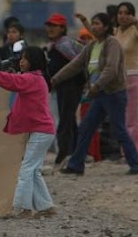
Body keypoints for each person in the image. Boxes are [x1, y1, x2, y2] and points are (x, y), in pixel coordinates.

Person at [54, 12, 138, 176]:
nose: (94, 26)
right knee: (86, 128)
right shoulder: (92, 46)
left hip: (114, 93)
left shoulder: (112, 44)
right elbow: (75, 65)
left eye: (97, 23)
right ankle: (76, 165)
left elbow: (111, 69)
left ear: (105, 27)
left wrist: (96, 86)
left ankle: (137, 164)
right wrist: (54, 79)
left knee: (119, 130)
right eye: (93, 23)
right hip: (100, 95)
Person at [0, 46, 56, 218]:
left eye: (25, 58)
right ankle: (45, 207)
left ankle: (22, 208)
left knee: (26, 169)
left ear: (34, 62)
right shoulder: (37, 78)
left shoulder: (31, 79)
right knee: (33, 170)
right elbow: (16, 80)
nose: (22, 61)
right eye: (21, 58)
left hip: (41, 131)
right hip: (44, 131)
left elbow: (12, 82)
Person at [44, 12, 85, 166]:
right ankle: (74, 152)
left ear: (62, 28)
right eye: (49, 26)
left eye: (54, 26)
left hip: (70, 86)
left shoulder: (64, 45)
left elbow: (76, 65)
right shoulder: (56, 45)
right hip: (63, 87)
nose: (50, 29)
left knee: (65, 121)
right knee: (69, 120)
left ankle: (63, 154)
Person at [114, 1, 138, 159]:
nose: (123, 16)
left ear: (132, 15)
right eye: (120, 13)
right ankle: (125, 153)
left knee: (132, 119)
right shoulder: (117, 31)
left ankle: (137, 154)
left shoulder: (135, 30)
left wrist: (137, 22)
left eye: (126, 13)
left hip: (134, 76)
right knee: (121, 118)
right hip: (119, 79)